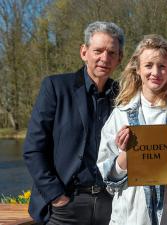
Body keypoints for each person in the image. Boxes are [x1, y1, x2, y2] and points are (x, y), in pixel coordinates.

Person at [97, 34, 167, 225]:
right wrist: (126, 155)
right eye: (148, 65)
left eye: (162, 66)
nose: (155, 72)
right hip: (131, 217)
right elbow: (108, 178)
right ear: (137, 69)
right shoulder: (120, 115)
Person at [23, 21, 124, 224]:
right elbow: (33, 149)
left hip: (111, 205)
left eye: (112, 53)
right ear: (84, 52)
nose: (105, 58)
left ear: (120, 58)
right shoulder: (56, 87)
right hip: (66, 205)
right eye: (98, 51)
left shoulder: (123, 95)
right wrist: (56, 196)